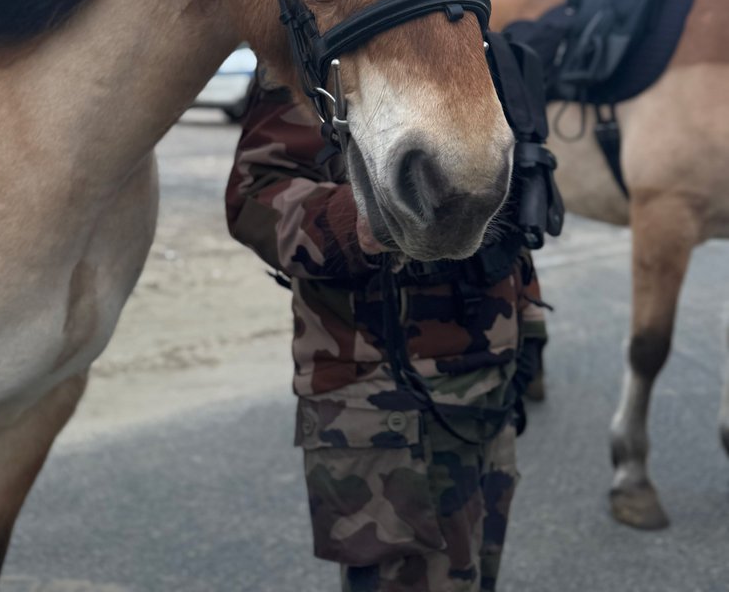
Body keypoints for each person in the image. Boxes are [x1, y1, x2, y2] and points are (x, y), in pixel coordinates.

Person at [225, 71, 549, 592]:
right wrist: (367, 221)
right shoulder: (315, 56)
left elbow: (513, 224)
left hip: (488, 386)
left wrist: (530, 330)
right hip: (382, 398)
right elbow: (254, 197)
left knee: (475, 575)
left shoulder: (470, 46)